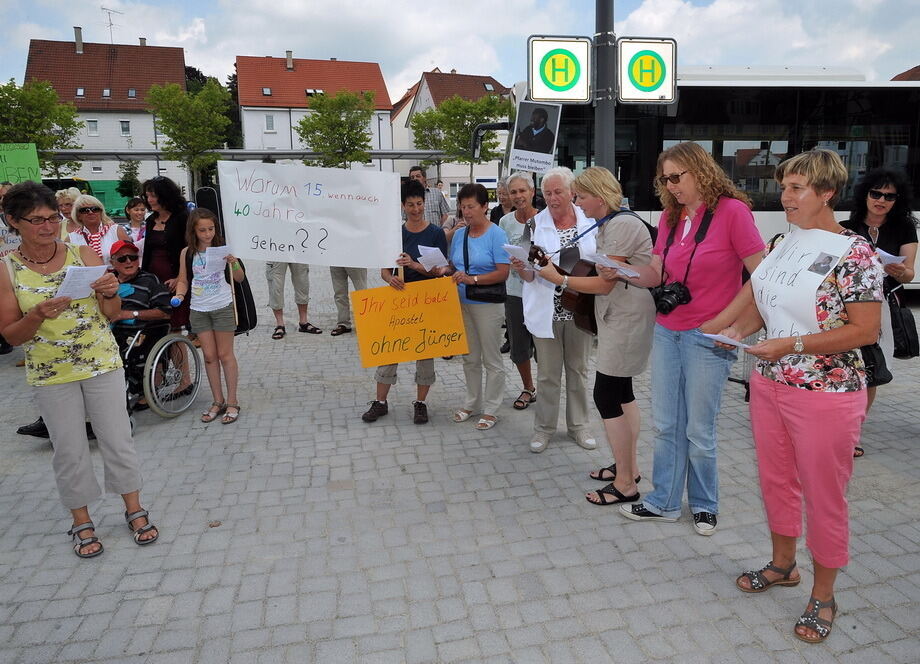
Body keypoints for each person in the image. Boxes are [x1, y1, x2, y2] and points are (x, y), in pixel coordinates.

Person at [716, 149, 883, 643]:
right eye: (784, 186)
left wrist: (791, 345)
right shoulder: (783, 242)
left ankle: (824, 595)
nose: (785, 196)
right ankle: (784, 565)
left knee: (824, 495)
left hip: (826, 393)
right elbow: (763, 310)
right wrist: (723, 332)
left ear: (826, 193)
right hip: (770, 383)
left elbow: (866, 331)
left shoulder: (856, 253)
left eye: (797, 188)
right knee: (775, 481)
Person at [612, 142, 764, 534]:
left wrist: (731, 325)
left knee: (699, 428)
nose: (672, 185)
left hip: (708, 338)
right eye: (666, 179)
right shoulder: (670, 217)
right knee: (666, 423)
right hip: (668, 331)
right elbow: (658, 273)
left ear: (701, 171)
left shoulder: (733, 213)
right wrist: (622, 271)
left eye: (677, 177)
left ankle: (704, 504)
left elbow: (761, 278)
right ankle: (662, 501)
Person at [0, 182, 158, 558]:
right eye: (36, 220)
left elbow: (112, 315)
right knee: (69, 450)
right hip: (52, 373)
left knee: (117, 439)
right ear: (12, 221)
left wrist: (108, 291)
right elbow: (11, 334)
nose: (47, 227)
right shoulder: (6, 269)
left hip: (101, 362)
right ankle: (82, 520)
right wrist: (36, 315)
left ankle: (134, 510)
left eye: (52, 218)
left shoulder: (82, 253)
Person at [536, 167, 656, 505]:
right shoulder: (612, 223)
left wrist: (558, 279)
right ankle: (627, 468)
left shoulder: (621, 225)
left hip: (626, 319)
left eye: (582, 197)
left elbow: (604, 284)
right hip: (620, 317)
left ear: (600, 198)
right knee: (621, 393)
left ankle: (626, 483)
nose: (577, 202)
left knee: (607, 395)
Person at [509, 167, 597, 453]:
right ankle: (544, 429)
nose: (552, 198)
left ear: (572, 192)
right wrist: (522, 268)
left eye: (558, 191)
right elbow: (530, 275)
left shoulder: (590, 221)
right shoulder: (535, 225)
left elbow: (597, 262)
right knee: (548, 374)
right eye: (547, 193)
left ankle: (579, 427)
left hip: (580, 309)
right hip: (547, 310)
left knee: (579, 370)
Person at [841, 168, 918, 457]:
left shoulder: (904, 229)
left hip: (883, 307)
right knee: (845, 367)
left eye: (889, 196)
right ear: (865, 194)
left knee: (869, 371)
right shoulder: (845, 226)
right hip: (847, 308)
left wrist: (900, 270)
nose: (882, 200)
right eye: (876, 193)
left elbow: (909, 274)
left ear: (897, 200)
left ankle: (852, 435)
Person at [362, 179, 448, 425]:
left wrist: (414, 265)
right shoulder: (395, 235)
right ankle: (380, 402)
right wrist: (391, 280)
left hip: (425, 299)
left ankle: (420, 403)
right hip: (399, 299)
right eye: (410, 204)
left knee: (425, 353)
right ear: (403, 206)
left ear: (425, 203)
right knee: (390, 349)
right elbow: (384, 271)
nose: (416, 209)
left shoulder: (436, 234)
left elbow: (440, 271)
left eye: (419, 203)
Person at [443, 183, 510, 430]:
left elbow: (503, 272)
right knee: (469, 357)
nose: (467, 212)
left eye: (471, 206)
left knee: (492, 359)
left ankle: (491, 408)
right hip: (461, 302)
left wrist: (473, 279)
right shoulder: (460, 234)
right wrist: (446, 269)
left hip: (487, 304)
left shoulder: (497, 234)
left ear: (485, 206)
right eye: (462, 207)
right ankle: (472, 402)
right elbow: (454, 265)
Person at [174, 209, 245, 424]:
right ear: (193, 231)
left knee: (225, 355)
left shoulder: (223, 250)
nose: (207, 234)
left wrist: (233, 262)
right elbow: (183, 279)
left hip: (222, 306)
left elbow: (239, 278)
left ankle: (232, 401)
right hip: (198, 309)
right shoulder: (187, 252)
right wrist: (179, 293)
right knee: (209, 356)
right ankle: (218, 400)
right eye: (202, 230)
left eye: (211, 229)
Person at [498, 172, 538, 411]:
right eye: (513, 192)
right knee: (519, 345)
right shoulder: (505, 222)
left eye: (522, 190)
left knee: (545, 346)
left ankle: (549, 385)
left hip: (541, 292)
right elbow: (503, 253)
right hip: (514, 292)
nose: (518, 196)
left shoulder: (545, 219)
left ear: (532, 192)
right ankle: (528, 387)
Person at [140, 176, 190, 332]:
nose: (149, 200)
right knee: (157, 324)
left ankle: (180, 358)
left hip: (175, 278)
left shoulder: (182, 217)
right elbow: (148, 251)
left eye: (153, 196)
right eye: (147, 196)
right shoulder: (150, 221)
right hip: (154, 279)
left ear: (165, 195)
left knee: (175, 326)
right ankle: (161, 357)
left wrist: (180, 278)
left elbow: (189, 250)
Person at [68, 194, 130, 262]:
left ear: (101, 212)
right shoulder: (71, 238)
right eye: (85, 210)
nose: (90, 212)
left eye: (95, 209)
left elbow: (130, 256)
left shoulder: (116, 231)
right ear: (78, 215)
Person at [266, 261, 320, 339]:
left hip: (298, 251)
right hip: (276, 252)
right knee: (275, 285)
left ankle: (303, 322)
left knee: (302, 282)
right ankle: (280, 324)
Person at [328, 264, 367, 336]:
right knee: (339, 292)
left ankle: (365, 323)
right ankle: (343, 323)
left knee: (362, 292)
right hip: (335, 257)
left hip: (355, 258)